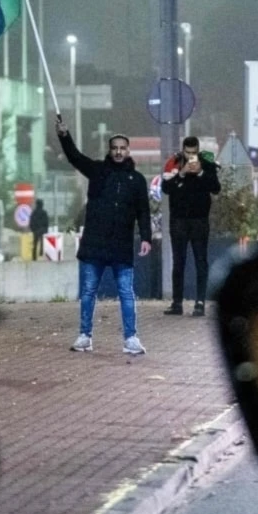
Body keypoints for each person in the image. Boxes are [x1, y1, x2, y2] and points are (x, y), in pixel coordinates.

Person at [56, 117, 152, 355]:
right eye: (115, 148)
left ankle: (131, 338)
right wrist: (64, 136)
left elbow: (143, 211)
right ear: (109, 151)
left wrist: (147, 237)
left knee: (126, 293)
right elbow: (75, 157)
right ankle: (84, 336)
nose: (118, 152)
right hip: (95, 244)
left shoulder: (137, 180)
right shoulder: (97, 171)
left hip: (121, 245)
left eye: (122, 148)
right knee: (88, 291)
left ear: (128, 151)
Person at [162, 136, 220, 317]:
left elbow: (215, 188)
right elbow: (165, 188)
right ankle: (177, 303)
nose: (191, 157)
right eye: (188, 153)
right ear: (183, 150)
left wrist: (201, 172)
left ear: (198, 150)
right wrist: (181, 173)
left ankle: (200, 302)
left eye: (194, 153)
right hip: (178, 220)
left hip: (199, 220)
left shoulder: (207, 164)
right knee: (178, 262)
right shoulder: (175, 163)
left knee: (201, 261)